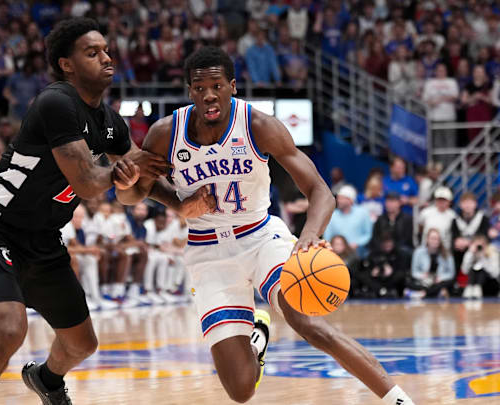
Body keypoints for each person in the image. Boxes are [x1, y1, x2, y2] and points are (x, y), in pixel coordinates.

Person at [118, 46, 416, 405]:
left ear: (232, 87)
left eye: (216, 85)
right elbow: (136, 193)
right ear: (189, 91)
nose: (208, 95)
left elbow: (321, 191)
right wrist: (180, 204)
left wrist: (309, 236)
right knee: (241, 390)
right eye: (199, 88)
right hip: (207, 251)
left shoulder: (258, 126)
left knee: (308, 323)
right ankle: (258, 335)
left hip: (261, 236)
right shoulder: (166, 133)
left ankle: (398, 399)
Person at [0, 18, 208, 405]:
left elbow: (132, 189)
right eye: (93, 53)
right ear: (66, 64)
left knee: (81, 343)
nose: (106, 57)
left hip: (43, 240)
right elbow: (90, 183)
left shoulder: (110, 123)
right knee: (8, 329)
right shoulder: (56, 102)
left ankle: (47, 379)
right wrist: (126, 171)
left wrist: (181, 205)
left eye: (106, 50)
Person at [323, 185, 373, 257]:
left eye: (342, 198)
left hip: (359, 255)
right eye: (338, 198)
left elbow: (368, 234)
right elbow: (327, 237)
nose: (338, 200)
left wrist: (357, 243)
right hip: (337, 255)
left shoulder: (363, 213)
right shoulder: (332, 215)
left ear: (350, 200)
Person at [408, 228, 456, 299]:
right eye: (433, 238)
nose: (435, 241)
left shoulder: (447, 253)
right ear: (427, 239)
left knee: (450, 282)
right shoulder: (418, 252)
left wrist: (441, 278)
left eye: (437, 239)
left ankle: (423, 293)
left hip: (439, 281)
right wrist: (422, 276)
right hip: (424, 281)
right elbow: (414, 272)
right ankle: (436, 292)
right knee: (408, 281)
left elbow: (451, 273)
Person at [461, 234, 500, 299]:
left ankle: (477, 288)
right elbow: (464, 271)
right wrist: (470, 253)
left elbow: (495, 274)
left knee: (481, 269)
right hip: (473, 285)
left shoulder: (492, 253)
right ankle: (471, 288)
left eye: (482, 244)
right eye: (477, 245)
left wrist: (483, 257)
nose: (479, 247)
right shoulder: (471, 253)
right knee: (474, 269)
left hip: (490, 285)